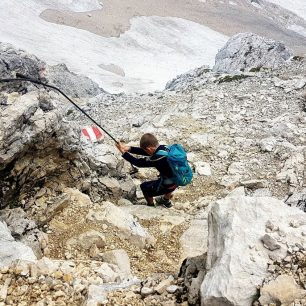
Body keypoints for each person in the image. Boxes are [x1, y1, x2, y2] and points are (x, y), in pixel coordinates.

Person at [116, 133, 176, 208]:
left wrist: (123, 152)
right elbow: (146, 151)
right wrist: (128, 148)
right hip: (178, 178)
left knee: (144, 187)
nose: (147, 153)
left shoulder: (157, 159)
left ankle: (150, 206)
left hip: (169, 184)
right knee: (166, 179)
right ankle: (166, 200)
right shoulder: (164, 148)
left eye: (147, 150)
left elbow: (138, 163)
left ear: (149, 149)